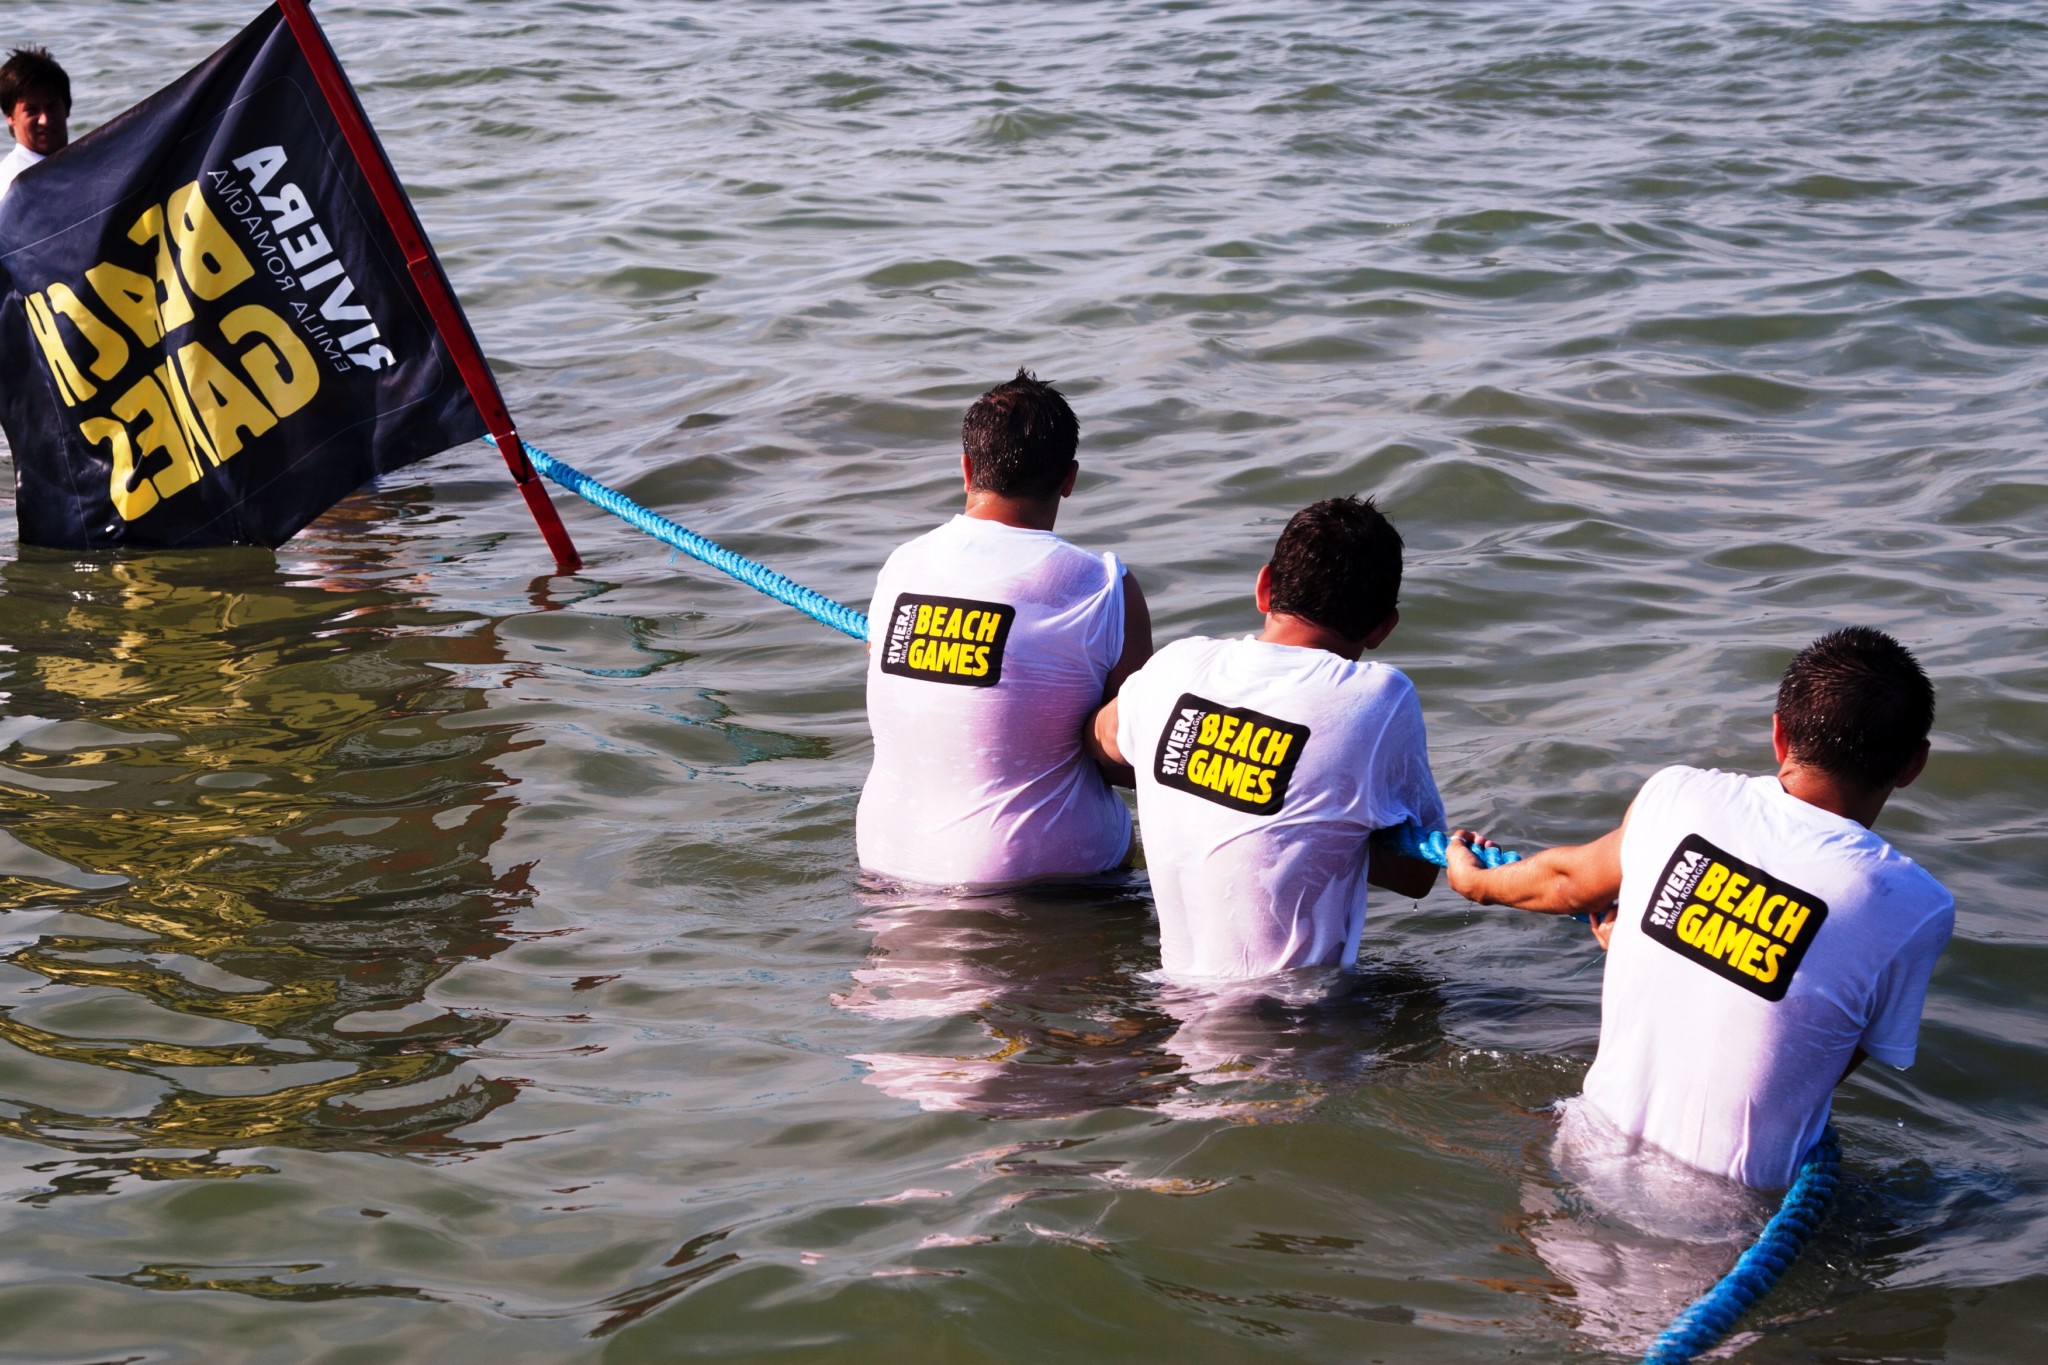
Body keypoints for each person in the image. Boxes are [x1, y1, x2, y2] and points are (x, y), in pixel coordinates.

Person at [1444, 627, 1954, 1190]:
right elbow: (1823, 1047)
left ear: (1779, 734)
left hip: (1583, 1146)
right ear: (1914, 764)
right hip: (1729, 1211)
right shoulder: (1912, 904)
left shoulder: (1677, 794)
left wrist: (1477, 883)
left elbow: (1569, 880)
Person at [1088, 496, 1443, 981]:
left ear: (1264, 586)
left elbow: (1099, 740)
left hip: (1172, 1000)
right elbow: (1418, 874)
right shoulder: (1379, 697)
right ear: (1383, 628)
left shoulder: (1175, 667)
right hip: (1298, 1028)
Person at [857, 369, 1152, 887]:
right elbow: (1127, 760)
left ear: (968, 469)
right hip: (1045, 883)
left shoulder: (902, 565)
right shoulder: (1103, 585)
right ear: (1069, 478)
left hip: (886, 862)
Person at [0, 46, 69, 205]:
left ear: (66, 108)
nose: (45, 119)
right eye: (32, 110)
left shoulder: (84, 166)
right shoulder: (12, 185)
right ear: (10, 117)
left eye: (52, 106)